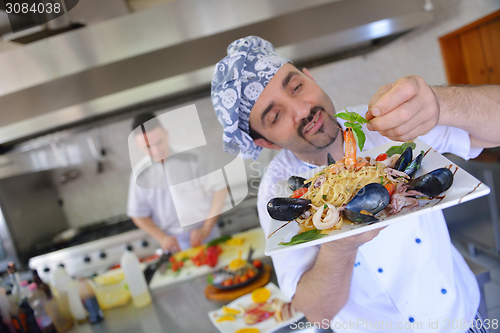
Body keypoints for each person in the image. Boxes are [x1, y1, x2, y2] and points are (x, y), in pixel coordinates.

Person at [211, 36, 500, 332]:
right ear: (265, 142)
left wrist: (442, 102)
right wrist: (340, 248)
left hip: (461, 319)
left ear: (309, 76)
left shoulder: (385, 121)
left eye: (296, 87)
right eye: (275, 115)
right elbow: (317, 314)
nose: (301, 110)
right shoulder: (277, 189)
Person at [127, 113, 227, 252]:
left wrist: (206, 229)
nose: (156, 151)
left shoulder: (194, 158)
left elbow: (221, 190)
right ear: (137, 145)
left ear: (166, 134)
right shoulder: (139, 175)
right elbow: (138, 215)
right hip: (174, 244)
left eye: (159, 142)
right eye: (148, 147)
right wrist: (162, 238)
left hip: (207, 235)